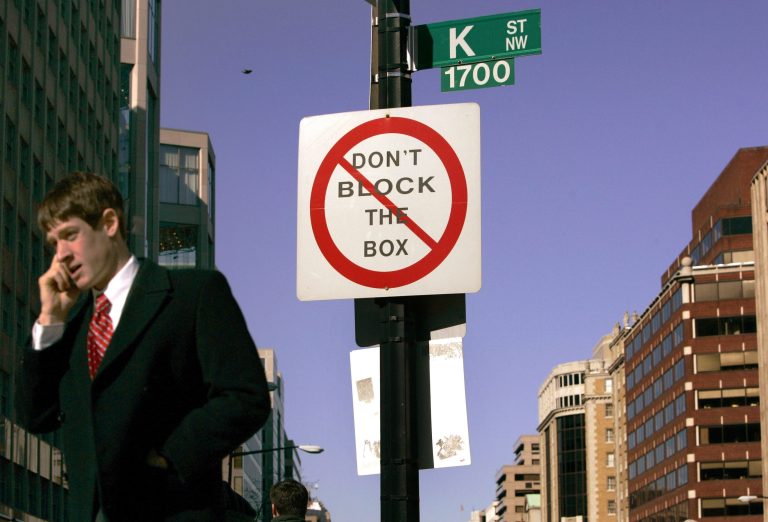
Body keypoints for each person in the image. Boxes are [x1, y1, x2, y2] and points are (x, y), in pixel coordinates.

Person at [16, 172, 271, 521]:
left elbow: (246, 397)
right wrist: (49, 319)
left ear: (109, 223)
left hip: (172, 510)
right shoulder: (69, 330)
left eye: (70, 236)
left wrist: (170, 455)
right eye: (53, 243)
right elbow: (36, 415)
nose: (61, 256)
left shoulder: (193, 294)